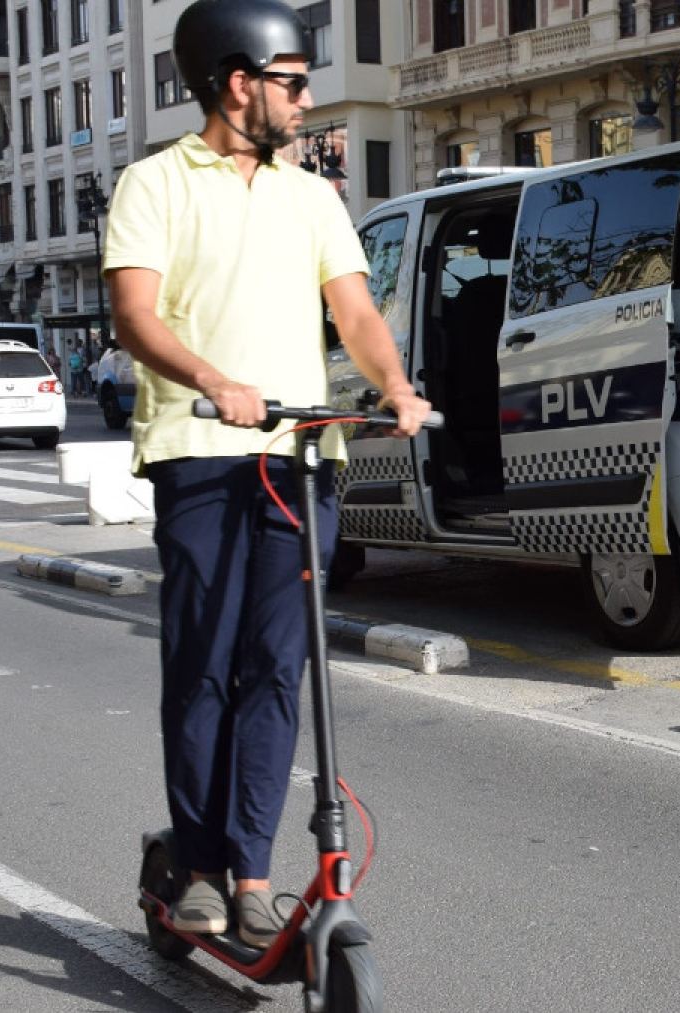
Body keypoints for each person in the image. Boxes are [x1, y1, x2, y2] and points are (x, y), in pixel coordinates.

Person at [104, 0, 431, 949]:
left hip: (297, 462)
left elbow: (357, 316)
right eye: (292, 80)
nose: (307, 97)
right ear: (238, 83)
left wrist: (397, 387)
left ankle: (253, 872)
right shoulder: (155, 184)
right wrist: (213, 380)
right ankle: (200, 869)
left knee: (278, 671)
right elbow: (135, 314)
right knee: (203, 667)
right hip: (200, 454)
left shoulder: (313, 197)